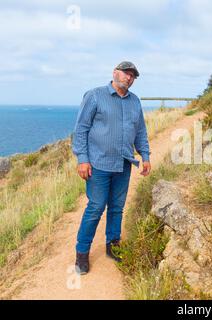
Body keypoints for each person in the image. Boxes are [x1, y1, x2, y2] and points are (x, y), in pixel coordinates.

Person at [72, 61, 151, 275]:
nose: (129, 78)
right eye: (126, 73)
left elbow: (141, 131)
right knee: (96, 207)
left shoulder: (135, 102)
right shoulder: (95, 95)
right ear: (115, 73)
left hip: (124, 164)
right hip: (98, 164)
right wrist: (82, 159)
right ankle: (81, 254)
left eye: (133, 76)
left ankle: (113, 246)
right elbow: (81, 129)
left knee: (116, 207)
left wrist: (145, 155)